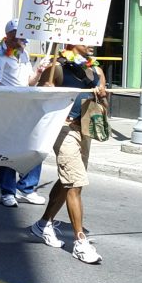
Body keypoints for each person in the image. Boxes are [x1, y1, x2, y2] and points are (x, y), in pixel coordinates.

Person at [30, 43, 108, 265]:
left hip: (84, 129)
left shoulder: (96, 70)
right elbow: (38, 100)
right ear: (72, 42)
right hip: (62, 129)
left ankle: (43, 224)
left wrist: (101, 95)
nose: (94, 44)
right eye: (88, 39)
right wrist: (47, 87)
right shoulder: (58, 67)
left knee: (71, 179)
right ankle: (80, 243)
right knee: (74, 182)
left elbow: (103, 106)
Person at [0, 19, 48, 208]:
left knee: (35, 146)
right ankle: (7, 191)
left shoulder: (24, 53)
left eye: (23, 32)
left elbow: (29, 82)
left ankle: (27, 188)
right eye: (17, 32)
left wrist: (39, 72)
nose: (22, 36)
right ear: (9, 35)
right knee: (6, 151)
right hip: (8, 110)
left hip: (26, 108)